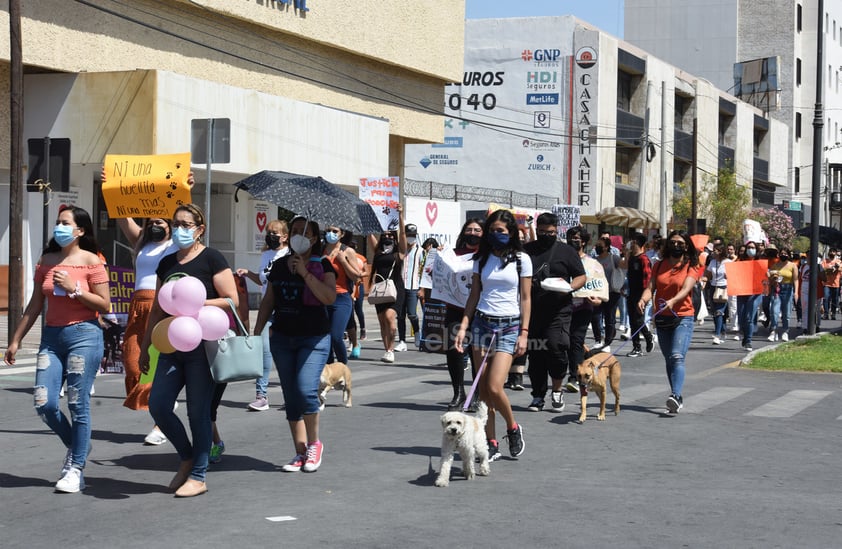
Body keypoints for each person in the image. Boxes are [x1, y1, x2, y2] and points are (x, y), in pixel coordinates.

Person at [4, 205, 111, 493]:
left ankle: (75, 467)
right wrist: (16, 339)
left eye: (65, 223)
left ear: (80, 231)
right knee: (45, 403)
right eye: (57, 222)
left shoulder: (92, 261)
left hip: (84, 336)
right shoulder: (47, 260)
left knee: (77, 403)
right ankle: (79, 446)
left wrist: (75, 288)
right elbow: (35, 305)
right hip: (51, 340)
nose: (59, 227)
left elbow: (105, 305)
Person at [138, 203, 239, 497]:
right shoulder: (167, 263)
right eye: (176, 223)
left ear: (199, 229)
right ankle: (186, 456)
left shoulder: (212, 258)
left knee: (199, 412)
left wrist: (197, 303)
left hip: (203, 346)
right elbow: (158, 308)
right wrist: (146, 348)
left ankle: (199, 475)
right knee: (158, 404)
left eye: (186, 224)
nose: (180, 229)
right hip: (172, 344)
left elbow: (232, 299)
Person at [253, 216, 336, 473]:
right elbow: (268, 301)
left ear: (314, 238)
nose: (300, 235)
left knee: (305, 389)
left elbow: (329, 297)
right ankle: (300, 452)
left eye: (305, 232)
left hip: (313, 338)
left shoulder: (323, 265)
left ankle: (314, 444)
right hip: (282, 337)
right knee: (291, 397)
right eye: (296, 231)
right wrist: (256, 334)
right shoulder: (278, 265)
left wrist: (304, 272)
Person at [454, 209, 531, 459]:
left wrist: (524, 332)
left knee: (495, 386)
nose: (496, 235)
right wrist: (464, 326)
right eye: (493, 230)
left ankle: (513, 427)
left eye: (502, 231)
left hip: (509, 326)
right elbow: (474, 295)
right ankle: (491, 441)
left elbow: (526, 298)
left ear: (511, 233)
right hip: (481, 324)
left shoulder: (521, 259)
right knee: (483, 391)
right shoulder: (481, 259)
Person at [115, 216, 177, 445]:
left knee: (156, 365)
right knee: (132, 363)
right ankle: (164, 401)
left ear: (170, 225)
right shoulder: (142, 242)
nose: (155, 226)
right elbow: (122, 218)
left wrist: (186, 187)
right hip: (137, 306)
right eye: (151, 222)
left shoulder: (175, 244)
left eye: (160, 222)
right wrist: (110, 185)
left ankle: (160, 425)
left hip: (160, 305)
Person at [523, 213, 586, 413]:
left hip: (559, 309)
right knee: (536, 355)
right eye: (542, 232)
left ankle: (557, 389)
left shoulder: (566, 251)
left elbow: (581, 276)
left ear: (556, 231)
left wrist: (568, 287)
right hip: (532, 310)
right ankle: (538, 395)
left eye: (550, 232)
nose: (546, 235)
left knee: (556, 346)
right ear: (537, 230)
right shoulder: (526, 251)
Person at [638, 230, 702, 414]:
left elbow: (686, 287)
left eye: (680, 243)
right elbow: (651, 287)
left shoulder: (691, 265)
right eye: (673, 242)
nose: (676, 246)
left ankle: (676, 395)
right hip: (662, 317)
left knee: (677, 356)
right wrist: (643, 299)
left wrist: (673, 301)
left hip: (683, 316)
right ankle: (675, 395)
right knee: (668, 359)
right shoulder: (659, 265)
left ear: (686, 246)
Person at [236, 219, 289, 411]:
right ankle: (261, 395)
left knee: (285, 354)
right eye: (269, 232)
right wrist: (248, 273)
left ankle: (292, 394)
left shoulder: (290, 254)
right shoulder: (265, 254)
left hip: (285, 308)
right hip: (268, 308)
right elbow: (263, 279)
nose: (271, 236)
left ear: (285, 236)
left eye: (275, 233)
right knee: (264, 352)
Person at [437, 219, 483, 411]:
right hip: (455, 308)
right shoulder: (451, 254)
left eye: (477, 230)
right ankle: (458, 392)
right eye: (469, 229)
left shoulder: (487, 255)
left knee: (477, 353)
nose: (472, 233)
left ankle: (477, 395)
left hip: (480, 309)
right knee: (453, 350)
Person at [565, 227, 606, 392]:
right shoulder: (563, 259)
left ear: (583, 241)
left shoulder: (592, 264)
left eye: (576, 238)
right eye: (570, 238)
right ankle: (579, 367)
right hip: (564, 307)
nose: (573, 241)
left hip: (583, 307)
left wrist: (598, 300)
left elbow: (600, 285)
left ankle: (575, 376)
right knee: (566, 342)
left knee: (576, 340)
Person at [368, 206, 407, 363]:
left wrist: (401, 215)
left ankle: (391, 347)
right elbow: (369, 233)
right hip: (379, 289)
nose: (387, 237)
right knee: (382, 320)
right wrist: (369, 214)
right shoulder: (377, 251)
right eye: (385, 234)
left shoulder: (400, 253)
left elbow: (403, 234)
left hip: (396, 289)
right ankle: (388, 351)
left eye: (391, 235)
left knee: (390, 317)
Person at [323, 225, 361, 365]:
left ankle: (342, 367)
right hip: (324, 297)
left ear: (342, 234)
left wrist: (343, 261)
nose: (330, 234)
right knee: (325, 337)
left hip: (342, 298)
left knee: (336, 336)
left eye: (334, 231)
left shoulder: (347, 251)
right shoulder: (320, 250)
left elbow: (356, 276)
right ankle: (329, 369)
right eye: (328, 231)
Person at [622, 232, 655, 356]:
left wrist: (645, 297)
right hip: (631, 293)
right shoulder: (631, 257)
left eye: (634, 242)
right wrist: (624, 286)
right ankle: (637, 347)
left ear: (640, 244)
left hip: (641, 295)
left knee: (638, 320)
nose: (632, 244)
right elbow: (627, 272)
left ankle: (648, 337)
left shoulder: (644, 259)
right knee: (632, 321)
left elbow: (648, 279)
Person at [591, 236, 623, 353]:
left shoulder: (613, 258)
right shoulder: (594, 260)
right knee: (595, 317)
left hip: (612, 292)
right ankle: (598, 340)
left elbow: (624, 267)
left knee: (610, 318)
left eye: (600, 245)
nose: (598, 247)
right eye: (597, 245)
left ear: (607, 247)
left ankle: (607, 342)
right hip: (598, 293)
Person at [397, 223, 424, 349]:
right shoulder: (401, 250)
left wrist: (422, 288)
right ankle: (402, 341)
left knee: (412, 313)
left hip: (414, 286)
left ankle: (417, 333)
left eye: (413, 235)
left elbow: (424, 270)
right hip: (400, 286)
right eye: (408, 235)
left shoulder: (421, 251)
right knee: (400, 315)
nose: (410, 238)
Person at [736, 241, 763, 352]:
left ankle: (748, 341)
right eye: (748, 247)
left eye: (753, 247)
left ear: (756, 250)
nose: (750, 249)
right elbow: (732, 273)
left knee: (749, 318)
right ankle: (745, 333)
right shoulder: (739, 261)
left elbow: (765, 275)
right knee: (742, 319)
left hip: (755, 294)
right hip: (742, 293)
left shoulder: (760, 262)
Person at [704, 242, 732, 345]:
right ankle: (722, 329)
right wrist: (703, 279)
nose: (713, 252)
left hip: (724, 288)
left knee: (719, 312)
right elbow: (707, 274)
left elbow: (734, 276)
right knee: (715, 312)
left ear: (720, 251)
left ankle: (717, 334)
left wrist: (728, 276)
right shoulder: (712, 262)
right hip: (713, 287)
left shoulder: (728, 262)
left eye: (715, 250)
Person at [821, 249, 841, 320]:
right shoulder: (824, 261)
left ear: (835, 253)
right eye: (831, 252)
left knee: (835, 300)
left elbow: (840, 270)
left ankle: (833, 314)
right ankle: (826, 314)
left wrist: (837, 268)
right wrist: (830, 269)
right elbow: (822, 270)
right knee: (826, 298)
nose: (832, 253)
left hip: (836, 284)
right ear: (828, 253)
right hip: (826, 284)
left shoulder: (839, 262)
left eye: (833, 252)